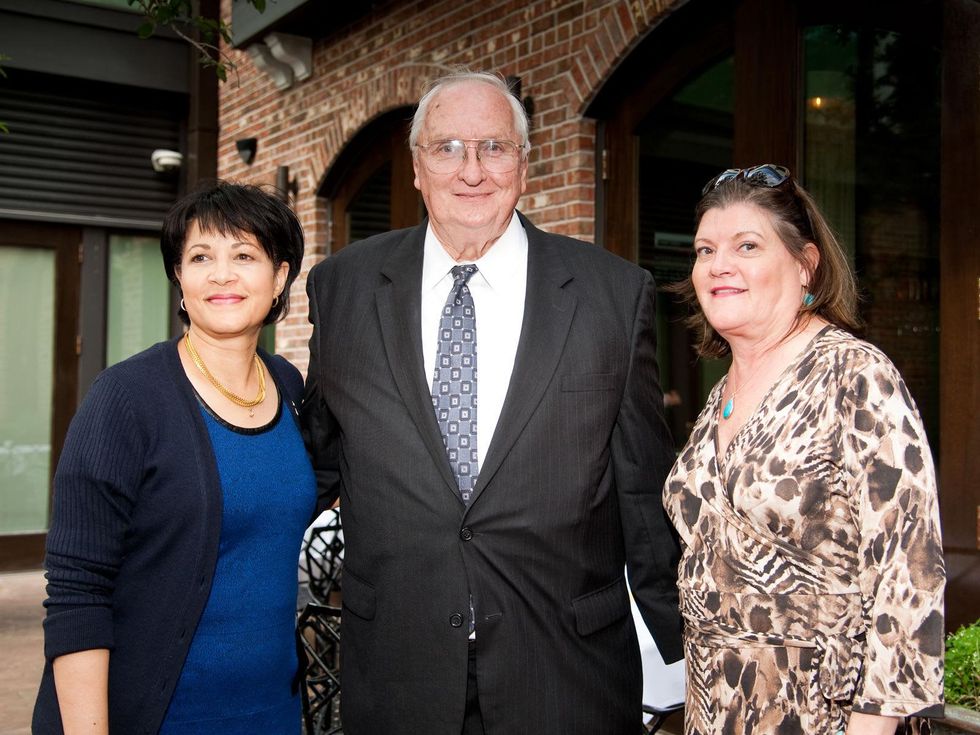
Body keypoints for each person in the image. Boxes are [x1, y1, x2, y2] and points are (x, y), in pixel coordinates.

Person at [301, 70, 682, 734]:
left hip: (568, 677)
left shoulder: (612, 295)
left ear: (524, 164)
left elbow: (645, 494)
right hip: (396, 671)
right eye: (447, 147)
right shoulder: (343, 289)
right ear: (418, 168)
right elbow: (316, 466)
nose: (471, 169)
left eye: (494, 147)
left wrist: (687, 653)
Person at [663, 165, 945, 735]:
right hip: (714, 707)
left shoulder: (854, 374)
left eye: (748, 245)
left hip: (823, 714)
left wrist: (874, 725)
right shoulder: (720, 392)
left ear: (804, 262)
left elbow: (909, 571)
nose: (719, 266)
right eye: (705, 250)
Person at [32, 182, 316, 734]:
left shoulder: (288, 386)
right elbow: (76, 592)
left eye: (244, 256)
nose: (221, 275)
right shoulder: (126, 398)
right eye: (200, 257)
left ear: (279, 277)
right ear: (180, 279)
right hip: (157, 716)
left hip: (272, 712)